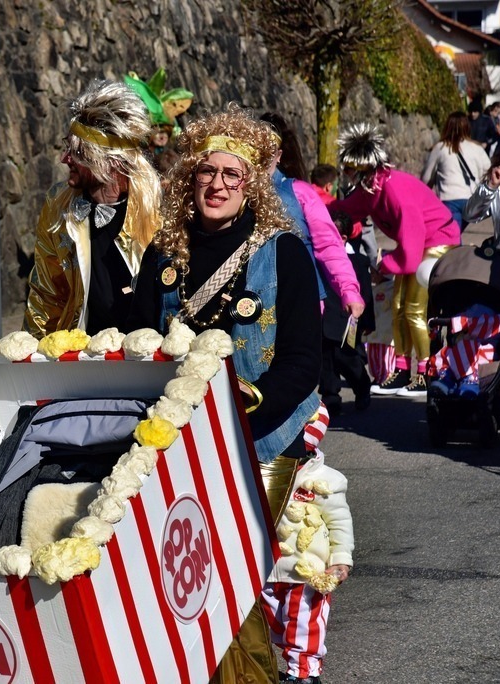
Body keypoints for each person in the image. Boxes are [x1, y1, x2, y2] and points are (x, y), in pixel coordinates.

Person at [128, 106, 321, 683]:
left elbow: (303, 362)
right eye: (207, 173)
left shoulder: (282, 251)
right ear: (191, 178)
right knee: (184, 570)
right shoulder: (165, 252)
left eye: (231, 176)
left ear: (251, 185)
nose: (217, 185)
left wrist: (247, 408)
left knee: (245, 569)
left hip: (260, 435)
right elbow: (136, 340)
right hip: (178, 436)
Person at [328, 123, 460, 397]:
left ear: (365, 170)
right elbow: (344, 209)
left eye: (351, 171)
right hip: (417, 245)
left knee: (413, 308)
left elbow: (410, 258)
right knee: (398, 305)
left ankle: (424, 373)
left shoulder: (395, 192)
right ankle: (401, 370)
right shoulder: (372, 190)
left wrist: (384, 265)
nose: (346, 176)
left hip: (438, 240)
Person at [23, 79, 161, 337]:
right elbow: (46, 293)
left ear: (110, 162)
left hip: (145, 356)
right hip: (80, 357)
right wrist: (31, 358)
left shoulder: (157, 208)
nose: (64, 159)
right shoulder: (59, 205)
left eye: (77, 153)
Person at [261, 406, 355, 684]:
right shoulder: (261, 468)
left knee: (303, 622)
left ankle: (303, 672)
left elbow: (340, 522)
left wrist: (340, 558)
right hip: (265, 566)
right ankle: (293, 658)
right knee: (274, 622)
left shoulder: (324, 479)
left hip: (307, 571)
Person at [261, 113, 366, 321]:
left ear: (279, 155)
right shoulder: (234, 193)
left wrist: (348, 289)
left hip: (301, 300)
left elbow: (328, 244)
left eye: (268, 150)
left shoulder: (300, 193)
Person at [318, 215, 374, 415]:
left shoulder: (357, 261)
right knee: (325, 361)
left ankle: (362, 387)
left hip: (347, 318)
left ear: (343, 237)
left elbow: (366, 293)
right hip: (324, 318)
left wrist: (367, 321)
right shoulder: (317, 259)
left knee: (348, 359)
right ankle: (330, 396)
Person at [421, 111, 491, 232]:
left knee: (452, 237)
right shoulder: (477, 148)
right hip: (471, 200)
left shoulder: (441, 147)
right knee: (456, 233)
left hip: (449, 199)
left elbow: (426, 178)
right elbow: (488, 172)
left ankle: (457, 250)